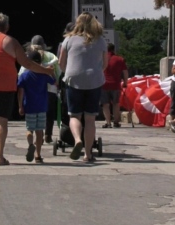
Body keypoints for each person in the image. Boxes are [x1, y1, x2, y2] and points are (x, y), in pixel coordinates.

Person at [0, 13, 54, 165]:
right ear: (7, 27)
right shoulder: (12, 42)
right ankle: (0, 156)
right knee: (2, 121)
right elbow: (27, 64)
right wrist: (46, 71)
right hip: (6, 85)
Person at [58, 12, 108, 163]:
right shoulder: (100, 41)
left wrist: (68, 73)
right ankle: (88, 154)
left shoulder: (69, 39)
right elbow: (105, 64)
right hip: (94, 80)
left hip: (74, 79)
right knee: (90, 118)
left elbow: (61, 63)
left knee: (74, 115)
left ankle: (77, 139)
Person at [20, 35, 60, 143]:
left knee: (33, 114)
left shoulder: (28, 56)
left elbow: (22, 74)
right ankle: (47, 135)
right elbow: (58, 73)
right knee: (49, 113)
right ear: (44, 45)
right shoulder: (51, 56)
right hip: (50, 89)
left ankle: (35, 136)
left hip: (32, 89)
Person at [17, 48, 54, 163]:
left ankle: (30, 144)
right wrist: (51, 71)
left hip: (29, 106)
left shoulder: (25, 75)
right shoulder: (44, 75)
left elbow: (20, 91)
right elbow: (54, 82)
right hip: (42, 106)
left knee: (29, 129)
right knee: (39, 131)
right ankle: (38, 155)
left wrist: (20, 106)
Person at [101, 43, 128, 128]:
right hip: (116, 85)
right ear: (113, 50)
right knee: (116, 103)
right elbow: (125, 72)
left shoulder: (101, 59)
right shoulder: (120, 59)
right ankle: (116, 122)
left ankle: (108, 122)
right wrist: (125, 82)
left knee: (105, 104)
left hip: (104, 84)